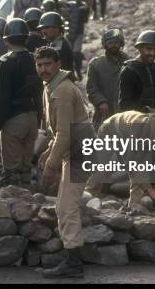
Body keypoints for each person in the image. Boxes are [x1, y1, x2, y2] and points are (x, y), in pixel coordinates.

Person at [35, 46, 91, 279]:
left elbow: (65, 134)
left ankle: (74, 263)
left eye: (48, 64)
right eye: (39, 65)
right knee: (62, 205)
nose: (43, 69)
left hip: (80, 153)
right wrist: (49, 152)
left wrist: (50, 166)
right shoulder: (52, 87)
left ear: (58, 64)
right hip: (74, 151)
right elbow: (58, 132)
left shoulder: (63, 91)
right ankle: (70, 254)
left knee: (67, 206)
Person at [96, 105, 155, 211]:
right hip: (109, 130)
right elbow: (132, 161)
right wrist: (151, 191)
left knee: (141, 168)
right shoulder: (142, 126)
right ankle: (87, 201)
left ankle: (134, 207)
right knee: (99, 170)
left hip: (130, 137)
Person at [0, 19, 42, 186]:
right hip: (33, 117)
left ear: (6, 40)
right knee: (26, 167)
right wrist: (39, 119)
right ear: (26, 39)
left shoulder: (6, 62)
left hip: (13, 119)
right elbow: (39, 93)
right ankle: (29, 199)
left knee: (11, 170)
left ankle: (14, 204)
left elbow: (2, 99)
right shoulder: (36, 60)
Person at [86, 28, 129, 129]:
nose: (113, 45)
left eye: (116, 42)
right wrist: (101, 102)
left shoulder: (130, 63)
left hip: (125, 111)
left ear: (121, 43)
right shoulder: (96, 64)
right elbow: (91, 88)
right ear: (105, 44)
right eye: (110, 42)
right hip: (104, 112)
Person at [118, 30, 155, 113]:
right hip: (136, 120)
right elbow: (124, 105)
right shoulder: (129, 70)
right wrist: (148, 111)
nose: (152, 53)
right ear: (139, 48)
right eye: (149, 49)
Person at [37, 12, 75, 77]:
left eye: (46, 28)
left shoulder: (60, 45)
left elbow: (62, 70)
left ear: (57, 28)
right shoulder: (56, 43)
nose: (43, 31)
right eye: (42, 28)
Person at [65, 0, 90, 81]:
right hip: (69, 32)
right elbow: (65, 16)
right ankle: (70, 72)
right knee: (68, 53)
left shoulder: (84, 7)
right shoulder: (69, 5)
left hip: (78, 32)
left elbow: (85, 20)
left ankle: (78, 71)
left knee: (76, 53)